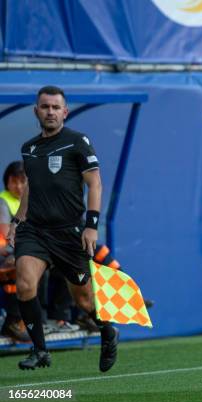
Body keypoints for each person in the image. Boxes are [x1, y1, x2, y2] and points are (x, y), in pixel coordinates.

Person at [6, 85, 118, 371]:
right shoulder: (29, 149)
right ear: (37, 111)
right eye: (45, 107)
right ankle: (40, 351)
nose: (51, 112)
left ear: (65, 112)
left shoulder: (77, 141)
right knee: (25, 283)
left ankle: (108, 331)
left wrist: (91, 226)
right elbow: (31, 187)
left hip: (68, 233)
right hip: (35, 231)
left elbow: (95, 183)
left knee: (83, 299)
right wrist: (18, 220)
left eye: (56, 107)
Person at [0, 161, 29, 342]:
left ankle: (57, 318)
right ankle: (13, 321)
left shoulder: (30, 201)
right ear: (7, 182)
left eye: (21, 181)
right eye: (13, 181)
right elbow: (5, 235)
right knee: (18, 265)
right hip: (5, 254)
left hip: (17, 252)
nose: (17, 186)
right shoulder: (3, 201)